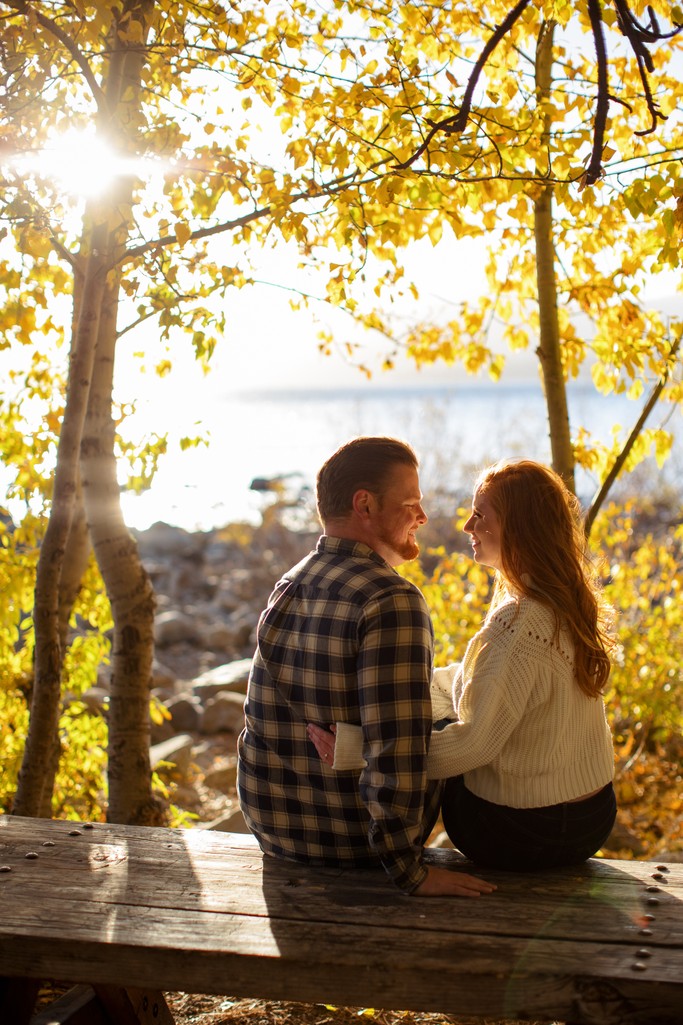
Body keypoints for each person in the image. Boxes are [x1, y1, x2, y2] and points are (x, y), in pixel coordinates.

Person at [309, 459, 617, 872]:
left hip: (525, 831)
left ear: (519, 527)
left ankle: (373, 853)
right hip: (593, 818)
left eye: (480, 515)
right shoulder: (567, 600)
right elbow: (485, 678)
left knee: (434, 729)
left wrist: (361, 749)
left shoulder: (521, 622)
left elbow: (473, 744)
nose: (468, 527)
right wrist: (412, 681)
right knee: (437, 710)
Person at [237, 436, 496, 897]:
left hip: (274, 830)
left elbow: (264, 721)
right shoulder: (391, 599)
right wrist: (409, 871)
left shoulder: (290, 583)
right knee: (451, 719)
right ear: (365, 504)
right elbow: (396, 751)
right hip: (353, 842)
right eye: (411, 503)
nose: (423, 517)